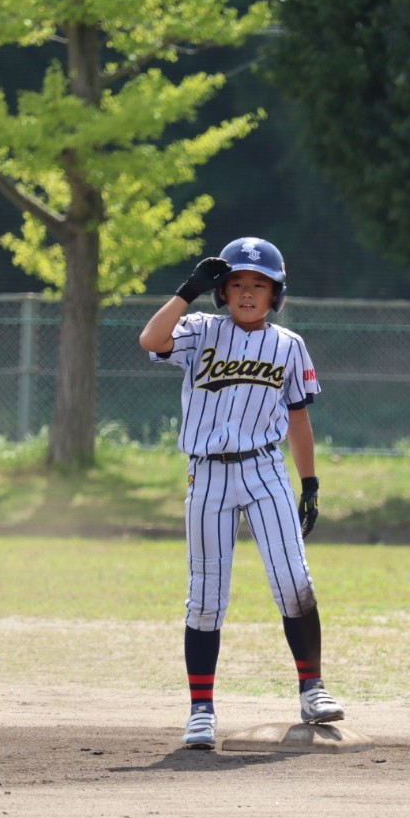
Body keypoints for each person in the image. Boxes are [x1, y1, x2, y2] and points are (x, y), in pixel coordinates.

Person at [137, 236, 344, 750]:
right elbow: (149, 339)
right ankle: (201, 711)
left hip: (265, 470)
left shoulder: (288, 345)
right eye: (236, 285)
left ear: (276, 294)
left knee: (294, 579)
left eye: (259, 285)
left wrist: (310, 482)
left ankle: (312, 688)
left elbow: (298, 418)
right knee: (206, 596)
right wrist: (186, 290)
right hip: (206, 474)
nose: (248, 293)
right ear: (221, 292)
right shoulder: (199, 331)